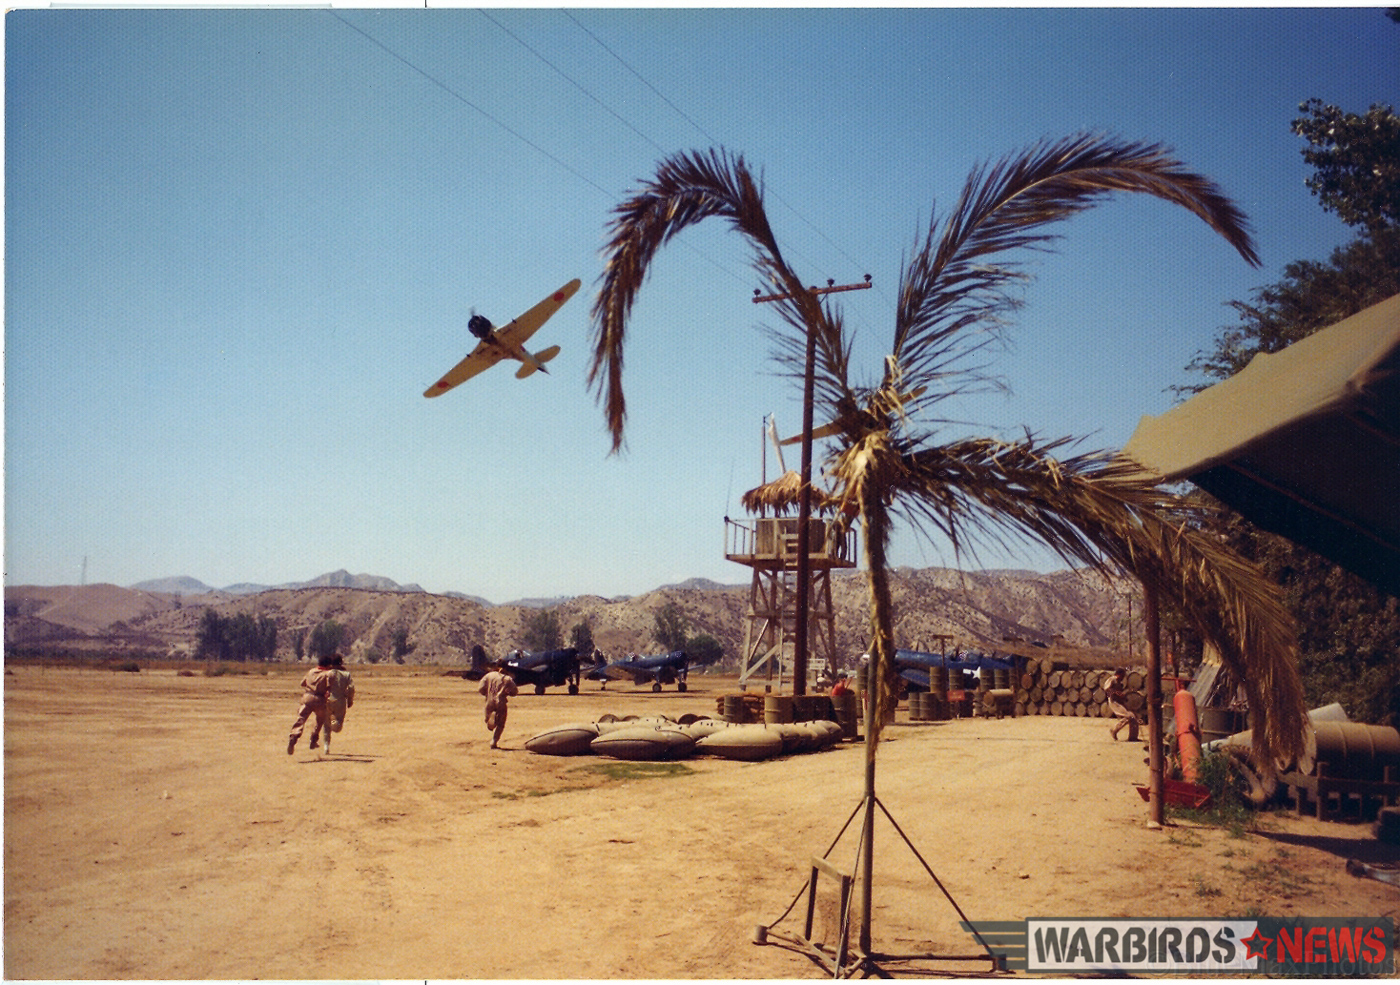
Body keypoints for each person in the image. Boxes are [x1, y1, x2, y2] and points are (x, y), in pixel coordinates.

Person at [287, 654, 333, 755]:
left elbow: (302, 683)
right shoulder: (327, 674)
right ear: (328, 665)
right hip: (320, 699)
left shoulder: (311, 671)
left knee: (301, 719)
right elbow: (330, 687)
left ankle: (294, 736)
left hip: (307, 697)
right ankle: (314, 739)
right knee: (320, 720)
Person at [318, 653, 355, 755]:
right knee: (338, 727)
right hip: (340, 701)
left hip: (326, 700)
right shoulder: (346, 674)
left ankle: (326, 746)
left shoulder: (326, 673)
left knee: (326, 725)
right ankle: (334, 723)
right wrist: (350, 699)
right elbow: (351, 688)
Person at [478, 658, 519, 749]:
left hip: (489, 700)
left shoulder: (489, 675)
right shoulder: (508, 679)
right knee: (501, 724)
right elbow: (515, 692)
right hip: (501, 701)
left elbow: (480, 688)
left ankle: (490, 721)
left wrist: (487, 693)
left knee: (488, 719)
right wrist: (508, 693)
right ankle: (494, 741)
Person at [1106, 668, 1139, 741]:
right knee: (1129, 716)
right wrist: (1117, 693)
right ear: (1119, 674)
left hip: (1120, 702)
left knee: (1133, 716)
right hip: (1114, 702)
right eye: (1123, 675)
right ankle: (1114, 730)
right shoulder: (1112, 680)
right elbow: (1107, 690)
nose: (1123, 677)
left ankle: (1133, 737)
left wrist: (1123, 697)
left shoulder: (1119, 683)